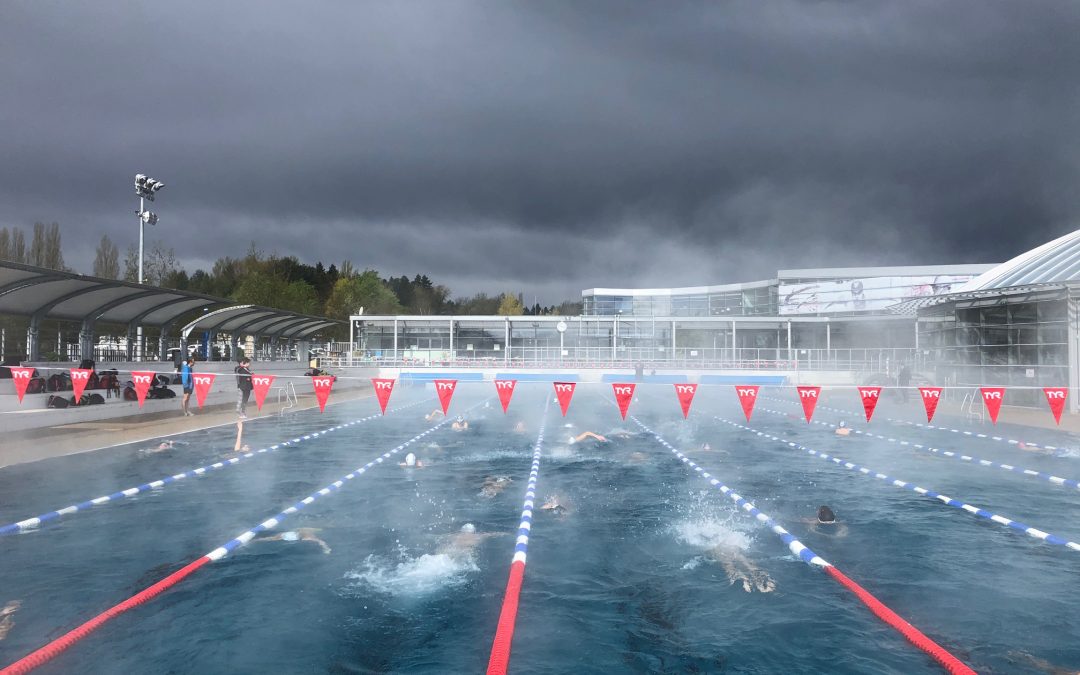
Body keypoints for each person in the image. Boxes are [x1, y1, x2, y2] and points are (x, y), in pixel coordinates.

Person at [708, 545, 775, 593]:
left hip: (723, 552)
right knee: (748, 565)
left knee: (730, 566)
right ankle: (765, 579)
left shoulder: (714, 547)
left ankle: (745, 579)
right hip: (732, 550)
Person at [256, 527, 331, 554]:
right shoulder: (309, 536)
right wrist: (326, 549)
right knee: (270, 539)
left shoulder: (306, 529)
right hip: (288, 536)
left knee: (270, 538)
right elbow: (322, 542)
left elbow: (297, 528)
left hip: (286, 534)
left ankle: (255, 540)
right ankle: (255, 540)